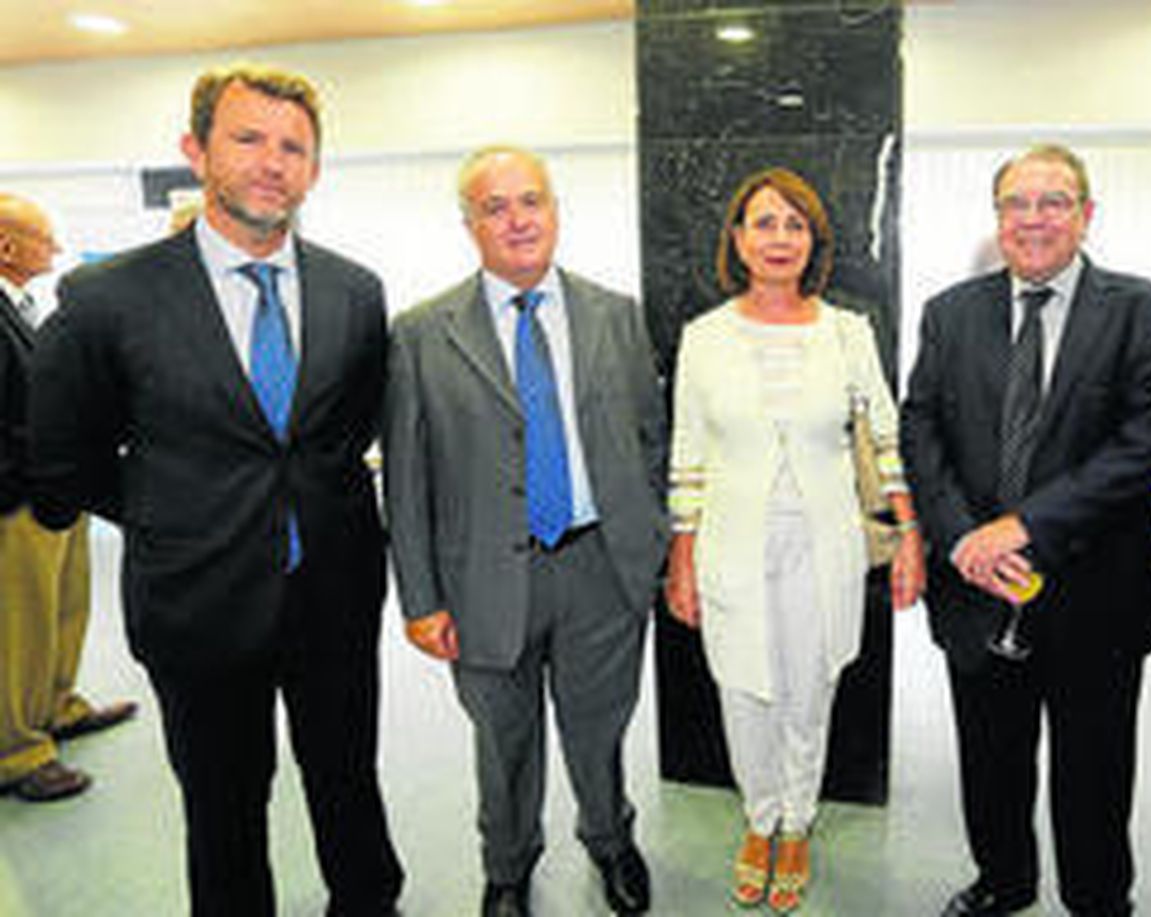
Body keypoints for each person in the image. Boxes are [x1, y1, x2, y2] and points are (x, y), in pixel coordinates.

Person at [27, 65, 403, 915]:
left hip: (334, 598)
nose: (272, 162)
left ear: (313, 168)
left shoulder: (355, 291)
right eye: (248, 139)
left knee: (348, 783)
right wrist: (176, 511)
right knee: (224, 811)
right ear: (196, 151)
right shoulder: (108, 297)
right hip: (197, 605)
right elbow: (64, 454)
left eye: (293, 147)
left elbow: (352, 429)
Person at [901, 144, 1151, 917]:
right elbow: (920, 426)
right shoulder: (951, 312)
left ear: (1087, 214)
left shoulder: (1146, 311)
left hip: (1096, 590)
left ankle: (1099, 898)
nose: (1033, 219)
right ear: (997, 218)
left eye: (1053, 201)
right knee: (990, 757)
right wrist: (962, 538)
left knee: (1093, 767)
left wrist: (1019, 529)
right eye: (1015, 204)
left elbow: (1144, 445)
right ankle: (1003, 881)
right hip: (976, 588)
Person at [383, 146, 662, 917]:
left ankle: (611, 841)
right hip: (479, 584)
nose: (517, 219)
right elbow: (406, 484)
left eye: (530, 201)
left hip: (600, 566)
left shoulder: (616, 314)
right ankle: (507, 865)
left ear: (555, 211)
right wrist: (420, 600)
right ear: (469, 223)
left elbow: (651, 439)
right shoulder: (419, 334)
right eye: (495, 206)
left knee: (598, 727)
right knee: (502, 739)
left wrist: (651, 552)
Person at [663, 167, 925, 913]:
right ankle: (759, 817)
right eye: (763, 222)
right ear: (738, 239)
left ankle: (798, 820)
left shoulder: (848, 331)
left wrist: (908, 536)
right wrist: (681, 559)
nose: (779, 237)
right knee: (743, 686)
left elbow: (885, 440)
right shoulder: (704, 337)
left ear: (814, 240)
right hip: (729, 543)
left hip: (827, 542)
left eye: (794, 223)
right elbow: (687, 454)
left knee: (810, 687)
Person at [0, 193, 136, 803]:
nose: (54, 250)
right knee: (17, 627)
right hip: (16, 498)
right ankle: (16, 750)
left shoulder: (23, 308)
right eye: (44, 239)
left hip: (58, 486)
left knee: (63, 608)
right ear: (7, 246)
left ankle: (57, 705)